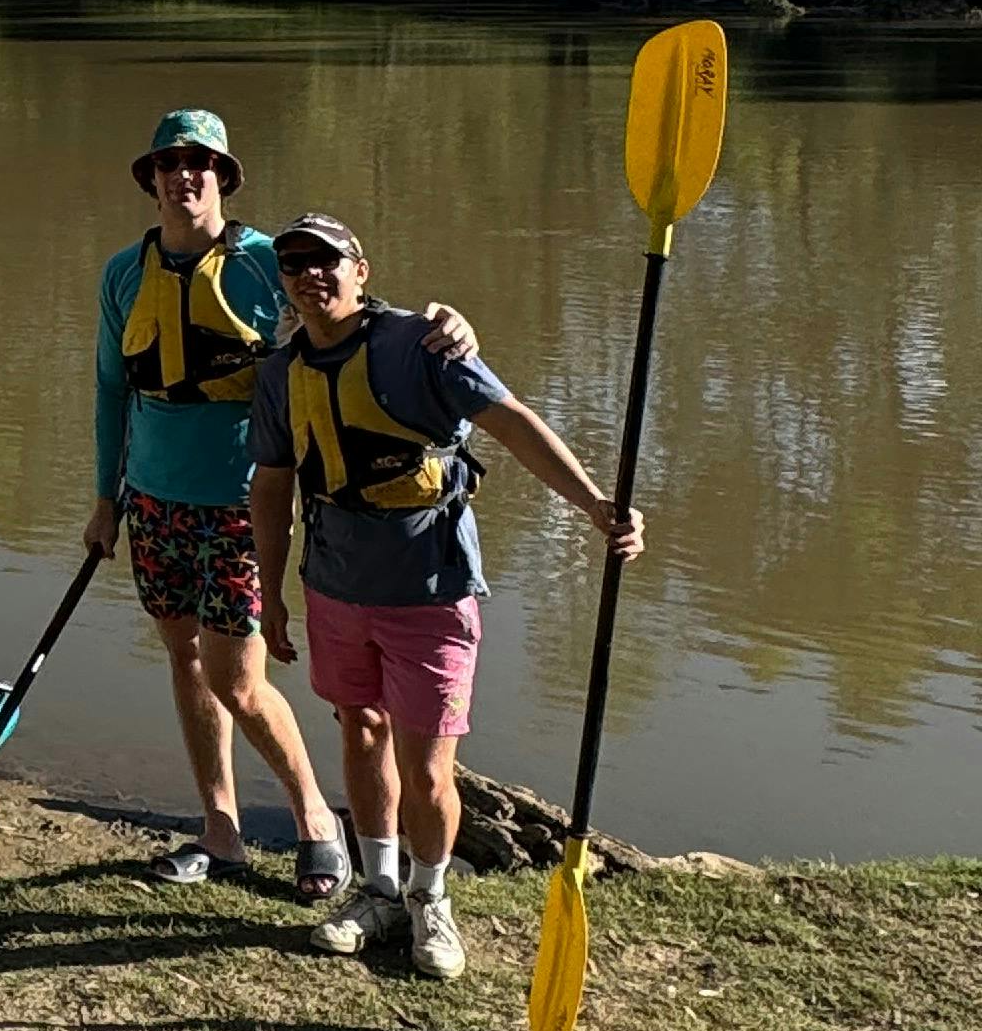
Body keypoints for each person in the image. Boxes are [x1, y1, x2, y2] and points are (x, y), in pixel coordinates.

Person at [90, 109, 483, 899]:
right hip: (155, 500)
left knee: (237, 678)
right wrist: (106, 498)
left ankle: (315, 821)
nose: (184, 175)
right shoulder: (122, 273)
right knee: (183, 657)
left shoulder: (271, 261)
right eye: (169, 163)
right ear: (152, 180)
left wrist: (447, 324)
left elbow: (356, 319)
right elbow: (109, 387)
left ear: (223, 177)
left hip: (240, 504)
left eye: (200, 162)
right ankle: (221, 831)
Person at [249, 208, 642, 984]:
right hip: (333, 586)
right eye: (293, 263)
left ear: (361, 271)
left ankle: (430, 898)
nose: (310, 274)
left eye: (326, 260)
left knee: (428, 767)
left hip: (430, 591)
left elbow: (512, 422)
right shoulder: (279, 372)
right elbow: (272, 486)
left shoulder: (423, 344)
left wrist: (597, 506)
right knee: (361, 731)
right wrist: (272, 593)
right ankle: (379, 891)